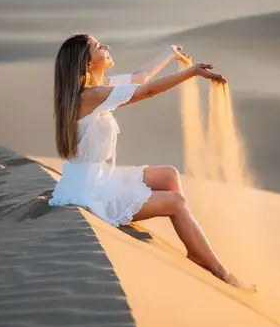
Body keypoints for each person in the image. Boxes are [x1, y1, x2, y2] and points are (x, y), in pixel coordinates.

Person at [49, 33, 249, 288]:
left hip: (98, 177)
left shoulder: (98, 89)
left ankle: (191, 238)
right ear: (88, 63)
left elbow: (140, 78)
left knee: (168, 175)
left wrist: (169, 54)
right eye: (98, 46)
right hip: (90, 193)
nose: (106, 46)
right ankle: (218, 270)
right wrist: (192, 73)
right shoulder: (91, 96)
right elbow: (148, 91)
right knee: (176, 202)